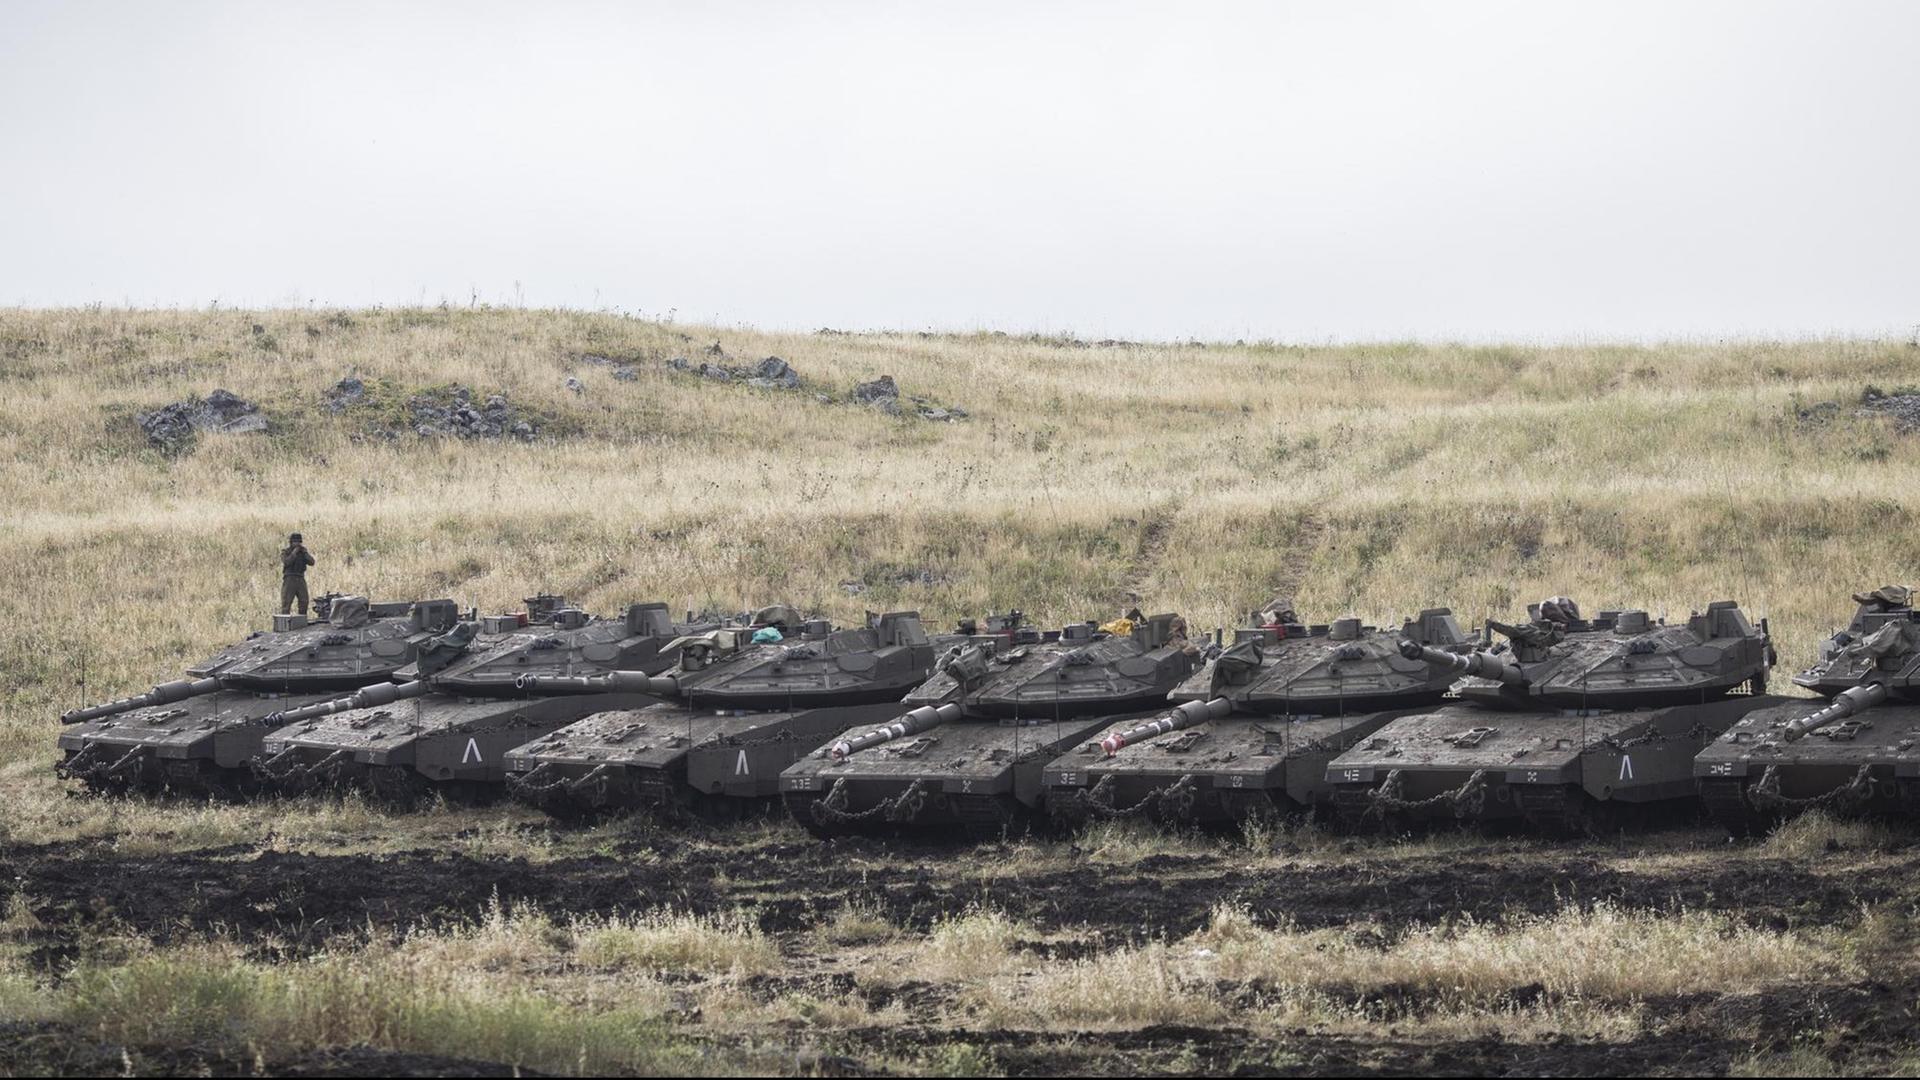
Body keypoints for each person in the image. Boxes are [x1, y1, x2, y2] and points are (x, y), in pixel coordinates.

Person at [280, 532, 315, 615]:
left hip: (300, 578)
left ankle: (301, 620)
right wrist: (294, 553)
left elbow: (312, 562)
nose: (297, 544)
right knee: (286, 602)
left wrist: (305, 553)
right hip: (289, 579)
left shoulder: (303, 552)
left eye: (299, 542)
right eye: (295, 542)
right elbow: (287, 562)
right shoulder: (286, 552)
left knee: (304, 601)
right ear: (291, 542)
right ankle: (285, 621)